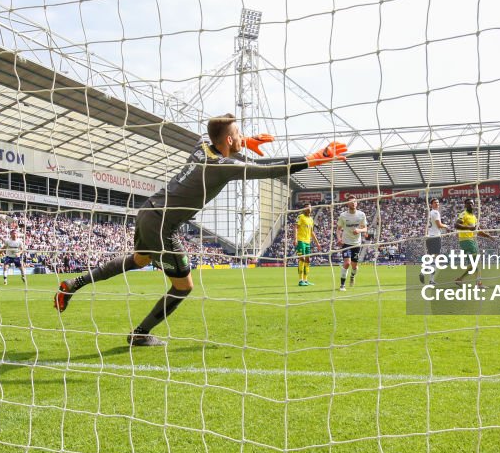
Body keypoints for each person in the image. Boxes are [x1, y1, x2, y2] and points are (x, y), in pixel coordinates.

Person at [54, 115, 347, 346]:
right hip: (161, 225)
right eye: (238, 135)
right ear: (230, 139)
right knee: (185, 287)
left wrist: (243, 141)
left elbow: (215, 134)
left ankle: (73, 285)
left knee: (140, 260)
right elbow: (269, 171)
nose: (241, 137)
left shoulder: (200, 148)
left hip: (147, 211)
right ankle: (140, 334)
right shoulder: (223, 165)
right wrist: (315, 158)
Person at [453, 198, 494, 286]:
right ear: (465, 205)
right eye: (468, 203)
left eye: (471, 203)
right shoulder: (464, 214)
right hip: (466, 241)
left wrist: (489, 236)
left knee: (474, 263)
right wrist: (469, 228)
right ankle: (478, 283)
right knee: (476, 262)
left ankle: (460, 279)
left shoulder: (474, 217)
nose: (470, 205)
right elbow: (456, 225)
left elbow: (478, 231)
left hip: (471, 241)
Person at [337, 195, 368, 291]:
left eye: (354, 202)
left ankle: (352, 276)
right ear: (348, 204)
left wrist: (359, 230)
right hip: (346, 243)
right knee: (347, 263)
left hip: (356, 244)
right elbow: (338, 229)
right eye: (351, 202)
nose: (353, 203)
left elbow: (365, 228)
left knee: (354, 266)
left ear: (357, 203)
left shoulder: (361, 214)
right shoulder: (343, 215)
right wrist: (338, 238)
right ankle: (342, 285)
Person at [423, 198, 449, 285]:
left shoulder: (429, 213)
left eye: (438, 202)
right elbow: (439, 225)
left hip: (429, 237)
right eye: (435, 203)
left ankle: (430, 278)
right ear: (431, 204)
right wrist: (447, 226)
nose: (437, 204)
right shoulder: (435, 212)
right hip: (435, 237)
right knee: (436, 258)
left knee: (432, 258)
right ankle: (427, 275)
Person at [295, 203, 320, 286]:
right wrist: (295, 239)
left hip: (307, 242)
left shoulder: (311, 219)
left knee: (308, 260)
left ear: (311, 208)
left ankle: (305, 280)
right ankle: (300, 280)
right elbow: (296, 228)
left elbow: (312, 232)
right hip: (301, 241)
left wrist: (317, 243)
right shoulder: (301, 217)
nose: (308, 208)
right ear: (304, 209)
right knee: (302, 259)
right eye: (306, 207)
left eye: (309, 207)